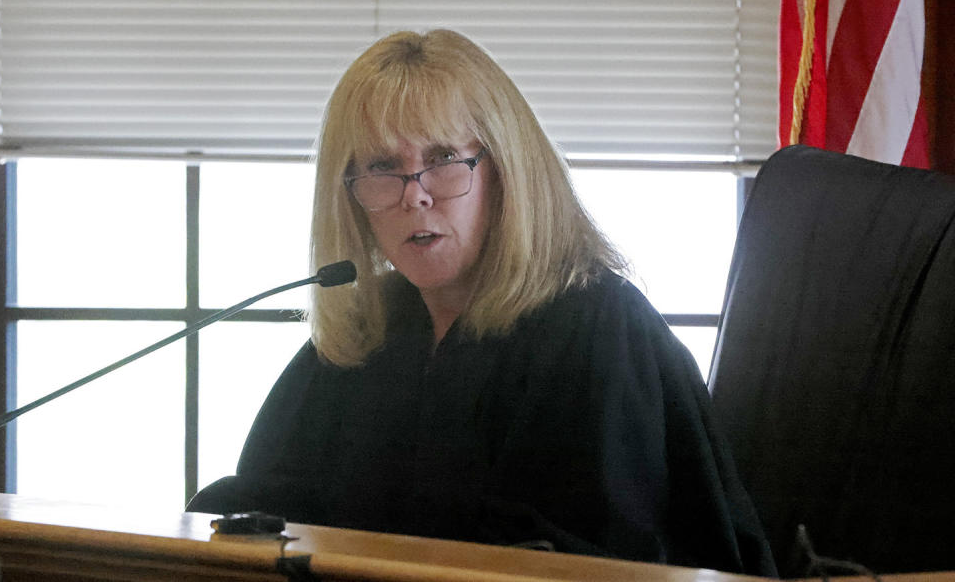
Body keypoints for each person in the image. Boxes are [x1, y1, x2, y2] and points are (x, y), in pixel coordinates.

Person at [188, 29, 776, 575]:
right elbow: (257, 511)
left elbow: (596, 558)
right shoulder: (369, 334)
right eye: (382, 167)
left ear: (508, 170)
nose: (414, 195)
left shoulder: (598, 331)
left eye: (443, 158)